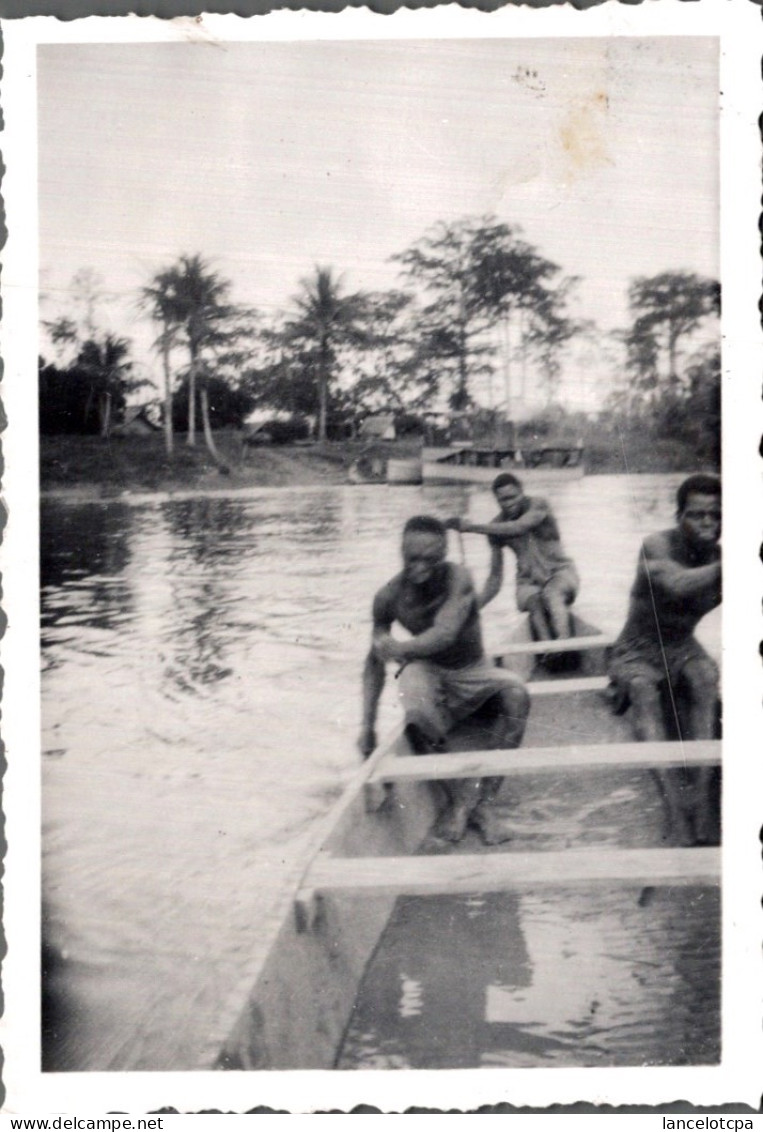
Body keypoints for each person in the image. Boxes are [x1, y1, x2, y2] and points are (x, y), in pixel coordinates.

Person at [358, 515, 530, 844]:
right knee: (416, 710)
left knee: (517, 695)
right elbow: (373, 661)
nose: (420, 566)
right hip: (429, 672)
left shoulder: (459, 578)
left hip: (473, 669)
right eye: (412, 558)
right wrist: (367, 727)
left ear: (444, 554)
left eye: (430, 559)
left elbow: (445, 633)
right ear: (401, 552)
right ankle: (462, 802)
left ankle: (483, 801)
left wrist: (400, 647)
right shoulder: (388, 597)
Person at [608, 473, 722, 844]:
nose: (708, 523)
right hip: (636, 647)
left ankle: (703, 800)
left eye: (715, 515)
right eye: (697, 515)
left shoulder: (722, 557)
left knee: (706, 678)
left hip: (683, 646)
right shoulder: (655, 546)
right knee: (642, 689)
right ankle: (673, 807)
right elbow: (677, 584)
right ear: (679, 517)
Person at [446, 472, 579, 641]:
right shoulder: (494, 528)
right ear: (496, 500)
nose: (509, 504)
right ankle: (549, 653)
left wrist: (470, 528)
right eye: (503, 500)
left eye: (512, 497)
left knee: (552, 593)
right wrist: (472, 609)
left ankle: (564, 645)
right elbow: (495, 579)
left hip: (561, 573)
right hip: (528, 582)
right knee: (535, 605)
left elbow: (519, 527)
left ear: (522, 491)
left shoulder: (539, 505)